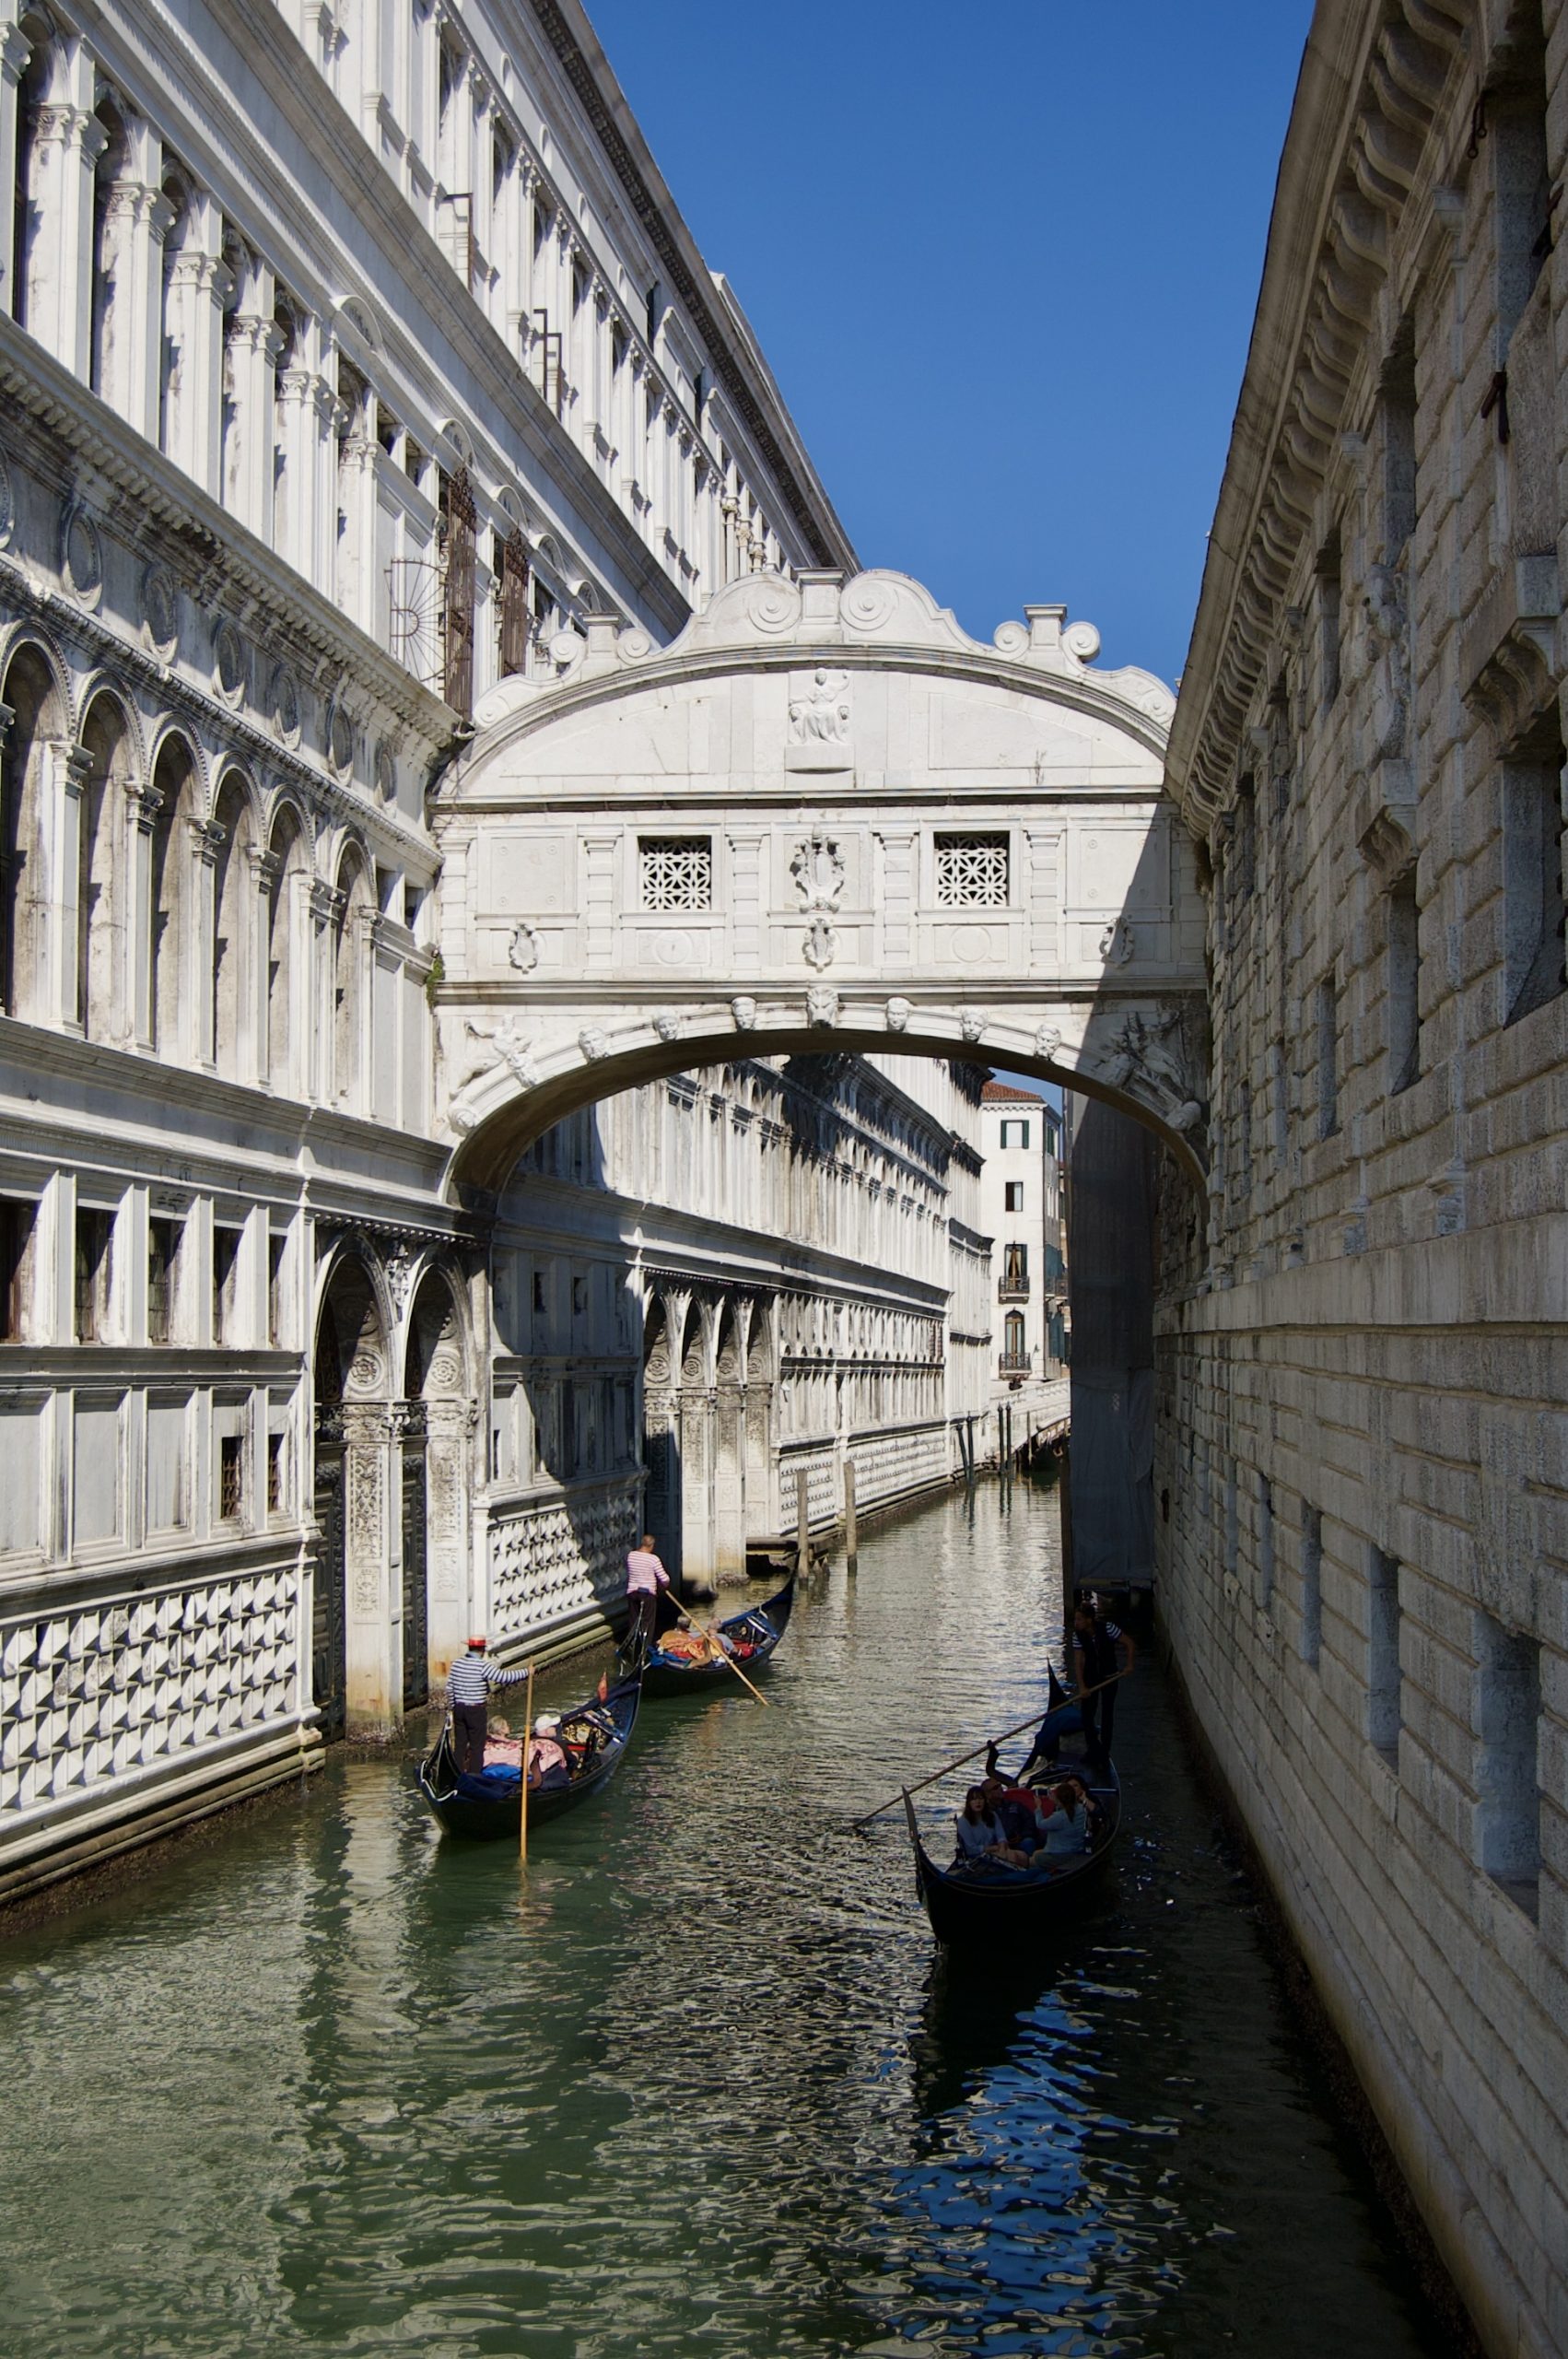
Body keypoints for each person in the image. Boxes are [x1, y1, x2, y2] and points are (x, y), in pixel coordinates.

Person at [447, 1636, 533, 1774]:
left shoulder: (457, 1664)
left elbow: (450, 1688)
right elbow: (503, 1678)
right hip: (475, 1710)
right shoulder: (482, 1666)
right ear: (482, 1650)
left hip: (459, 1709)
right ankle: (474, 1778)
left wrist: (453, 1707)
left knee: (460, 1746)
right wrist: (526, 1672)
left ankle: (456, 1775)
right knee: (477, 1747)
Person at [1071, 1596, 1136, 1764]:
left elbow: (1129, 1643)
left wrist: (1129, 1665)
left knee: (1107, 1715)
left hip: (1110, 1676)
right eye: (1075, 1619)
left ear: (1089, 1620)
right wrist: (1082, 1687)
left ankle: (1104, 1752)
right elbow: (1078, 1663)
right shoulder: (1077, 1635)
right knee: (1087, 1716)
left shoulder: (1108, 1628)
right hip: (1091, 1678)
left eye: (1079, 1619)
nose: (1076, 1623)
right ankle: (1093, 1749)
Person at [625, 1532, 671, 1658]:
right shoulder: (653, 1559)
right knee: (648, 1622)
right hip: (647, 1594)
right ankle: (646, 1649)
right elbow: (665, 1579)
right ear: (651, 1546)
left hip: (633, 1593)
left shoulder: (631, 1556)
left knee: (633, 1620)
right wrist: (664, 1585)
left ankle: (632, 1647)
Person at [953, 1786, 1006, 1864]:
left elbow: (1001, 1836)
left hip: (996, 1852)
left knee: (1020, 1856)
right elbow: (970, 1849)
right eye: (974, 1799)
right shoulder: (963, 1822)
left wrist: (1002, 1849)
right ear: (969, 1803)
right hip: (976, 1858)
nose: (978, 1802)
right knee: (1014, 1857)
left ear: (985, 1801)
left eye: (981, 1799)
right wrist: (991, 1849)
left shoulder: (992, 1815)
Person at [526, 1714, 571, 1791]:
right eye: (553, 1727)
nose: (555, 1729)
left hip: (531, 1779)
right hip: (546, 1781)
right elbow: (572, 1762)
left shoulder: (528, 1742)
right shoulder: (559, 1744)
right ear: (547, 1731)